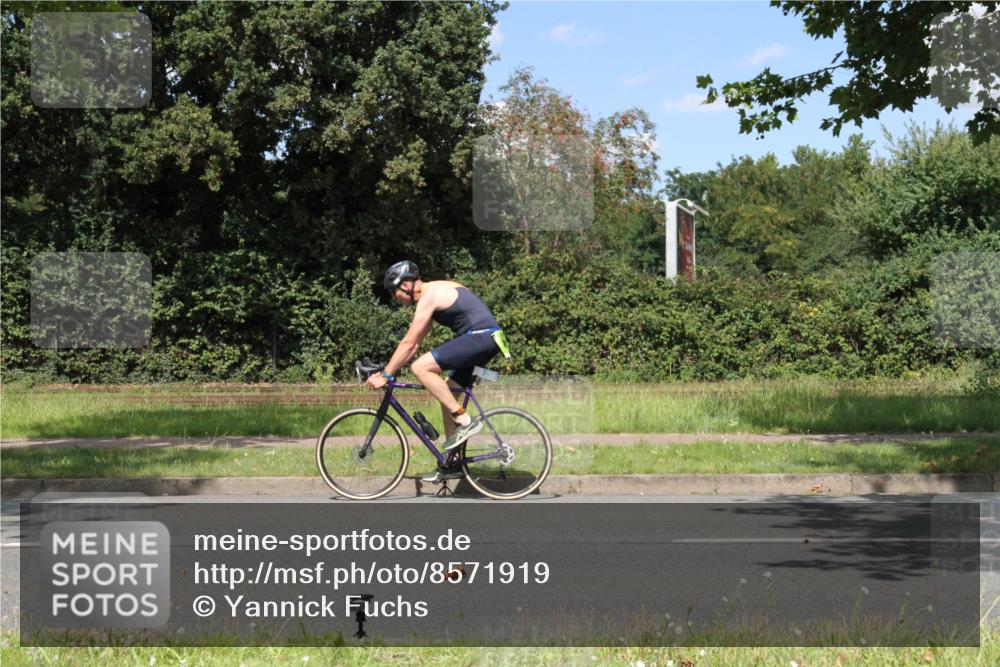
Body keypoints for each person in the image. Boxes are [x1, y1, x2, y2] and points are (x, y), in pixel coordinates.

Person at [365, 260, 507, 483]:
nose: (394, 298)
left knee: (420, 367)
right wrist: (389, 368)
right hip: (486, 338)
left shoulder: (429, 295)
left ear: (406, 285)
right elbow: (415, 343)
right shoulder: (435, 292)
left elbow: (409, 343)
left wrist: (386, 375)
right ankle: (452, 463)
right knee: (448, 393)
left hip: (481, 336)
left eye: (394, 292)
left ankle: (464, 420)